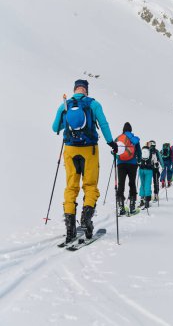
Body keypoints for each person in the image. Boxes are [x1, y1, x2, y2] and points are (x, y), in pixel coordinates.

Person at [52, 79, 117, 243]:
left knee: (71, 186)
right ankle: (87, 219)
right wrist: (111, 142)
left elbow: (55, 128)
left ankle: (70, 227)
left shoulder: (65, 105)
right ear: (86, 90)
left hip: (70, 150)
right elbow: (103, 123)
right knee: (90, 185)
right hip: (90, 150)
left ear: (75, 90)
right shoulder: (93, 104)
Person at [115, 122, 141, 215]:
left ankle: (121, 207)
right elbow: (139, 151)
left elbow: (115, 151)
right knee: (132, 183)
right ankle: (132, 206)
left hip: (121, 164)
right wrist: (139, 160)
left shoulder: (118, 138)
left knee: (121, 184)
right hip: (132, 164)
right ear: (130, 129)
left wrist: (116, 158)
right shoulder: (134, 139)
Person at [138, 144, 154, 209]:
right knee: (147, 185)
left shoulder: (141, 153)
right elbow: (155, 162)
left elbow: (138, 160)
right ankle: (147, 201)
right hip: (149, 171)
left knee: (142, 184)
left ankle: (142, 200)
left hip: (141, 170)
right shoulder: (151, 154)